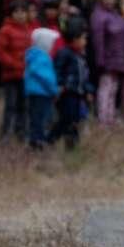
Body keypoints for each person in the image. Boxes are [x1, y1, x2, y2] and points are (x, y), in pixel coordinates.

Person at [49, 17, 92, 148]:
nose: (85, 41)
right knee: (66, 119)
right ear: (74, 39)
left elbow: (84, 76)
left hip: (78, 94)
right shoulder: (64, 54)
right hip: (67, 94)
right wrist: (60, 85)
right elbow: (57, 71)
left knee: (75, 120)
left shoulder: (81, 56)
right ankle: (50, 139)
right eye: (83, 38)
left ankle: (72, 145)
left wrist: (88, 90)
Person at [0, 0, 33, 140]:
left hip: (26, 75)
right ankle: (6, 132)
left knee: (24, 105)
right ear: (11, 14)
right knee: (10, 105)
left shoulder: (29, 30)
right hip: (10, 74)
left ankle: (21, 131)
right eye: (17, 12)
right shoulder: (6, 30)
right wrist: (13, 63)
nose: (20, 15)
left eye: (23, 11)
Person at [24, 28, 60, 149]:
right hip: (42, 93)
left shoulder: (33, 56)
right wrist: (54, 90)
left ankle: (35, 139)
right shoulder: (42, 58)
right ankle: (38, 140)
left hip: (35, 92)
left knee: (35, 117)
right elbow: (46, 77)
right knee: (40, 118)